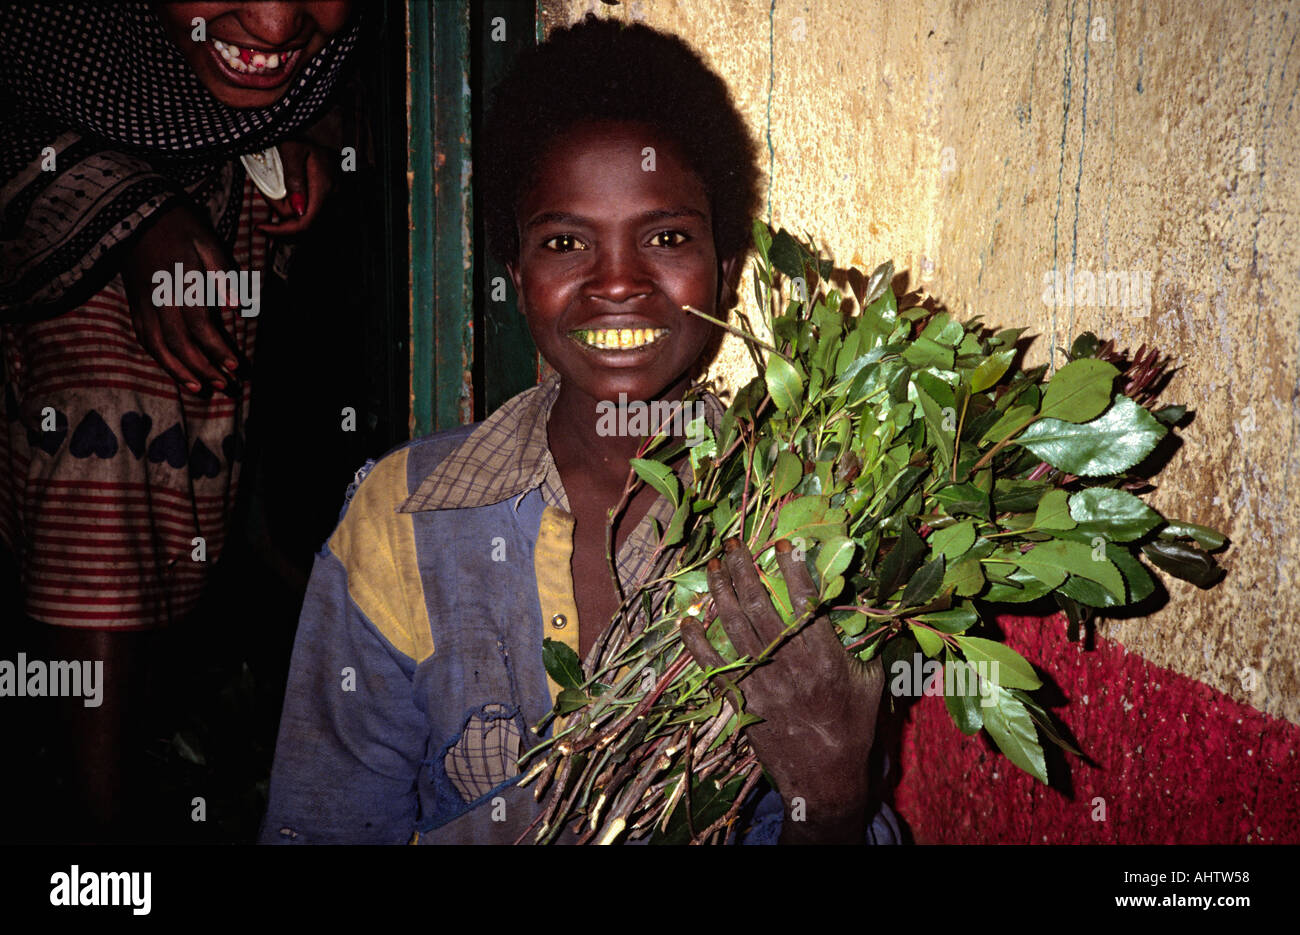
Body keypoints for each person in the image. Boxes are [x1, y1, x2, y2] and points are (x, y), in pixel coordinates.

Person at [261, 13, 901, 844]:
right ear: (516, 273)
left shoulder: (802, 519)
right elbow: (321, 825)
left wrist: (835, 798)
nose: (619, 283)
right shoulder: (404, 518)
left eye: (666, 237)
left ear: (730, 268)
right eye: (566, 242)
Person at [0, 1, 360, 837]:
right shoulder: (40, 32)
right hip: (66, 266)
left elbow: (339, 98)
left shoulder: (317, 52)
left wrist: (307, 143)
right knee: (105, 427)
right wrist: (134, 217)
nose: (276, 25)